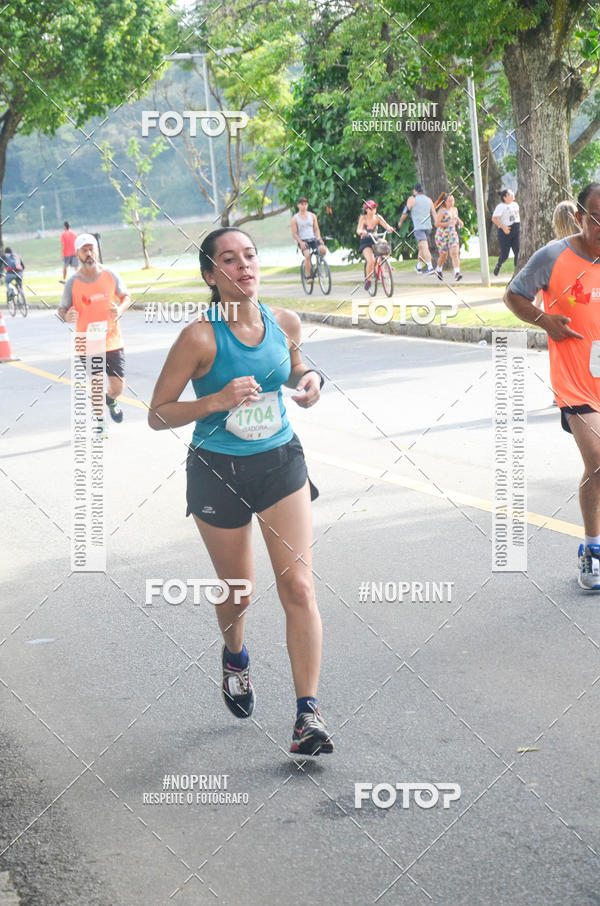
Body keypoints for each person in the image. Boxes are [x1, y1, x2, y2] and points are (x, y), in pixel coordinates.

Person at [148, 227, 333, 756]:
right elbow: (157, 414)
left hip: (279, 462)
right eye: (228, 260)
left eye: (250, 255)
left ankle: (307, 716)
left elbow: (299, 366)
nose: (243, 266)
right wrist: (216, 400)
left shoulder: (285, 321)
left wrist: (312, 381)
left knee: (298, 587)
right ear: (211, 275)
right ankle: (235, 656)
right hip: (217, 470)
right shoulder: (199, 338)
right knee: (240, 590)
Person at [504, 182, 600, 590]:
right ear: (579, 217)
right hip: (576, 381)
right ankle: (592, 551)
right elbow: (514, 295)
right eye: (595, 216)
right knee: (598, 460)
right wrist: (545, 321)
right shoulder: (554, 256)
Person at [58, 233, 132, 433]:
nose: (89, 253)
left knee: (118, 387)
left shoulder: (110, 275)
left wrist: (120, 309)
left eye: (92, 249)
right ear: (77, 254)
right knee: (97, 382)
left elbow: (126, 297)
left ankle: (111, 401)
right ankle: (100, 422)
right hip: (87, 341)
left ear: (97, 251)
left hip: (112, 340)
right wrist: (66, 316)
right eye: (85, 250)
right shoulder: (72, 282)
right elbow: (61, 310)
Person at [398, 183, 437, 275]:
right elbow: (434, 213)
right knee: (421, 247)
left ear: (415, 190)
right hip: (428, 227)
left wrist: (400, 222)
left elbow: (405, 212)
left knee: (424, 246)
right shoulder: (429, 200)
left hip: (419, 227)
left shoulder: (412, 199)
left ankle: (430, 266)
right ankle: (419, 266)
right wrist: (437, 223)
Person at [356, 200, 395, 290]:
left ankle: (386, 266)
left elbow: (386, 225)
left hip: (375, 239)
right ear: (366, 210)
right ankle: (368, 280)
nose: (373, 210)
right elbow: (358, 230)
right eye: (370, 208)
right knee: (371, 261)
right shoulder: (363, 218)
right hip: (366, 241)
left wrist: (389, 228)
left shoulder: (378, 218)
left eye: (374, 208)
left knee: (385, 243)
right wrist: (362, 231)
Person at [291, 198, 328, 280]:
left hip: (313, 239)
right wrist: (300, 242)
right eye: (302, 204)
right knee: (307, 255)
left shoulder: (312, 216)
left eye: (305, 204)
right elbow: (294, 234)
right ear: (298, 205)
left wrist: (319, 238)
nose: (304, 206)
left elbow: (316, 229)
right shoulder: (295, 219)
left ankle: (319, 265)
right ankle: (308, 276)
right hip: (303, 241)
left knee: (323, 250)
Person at [433, 193, 464, 282]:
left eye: (453, 200)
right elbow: (437, 224)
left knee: (454, 253)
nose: (452, 202)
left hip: (452, 234)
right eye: (449, 201)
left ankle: (457, 273)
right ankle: (438, 269)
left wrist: (460, 222)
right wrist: (448, 223)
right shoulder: (442, 211)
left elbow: (456, 218)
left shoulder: (455, 210)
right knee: (444, 255)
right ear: (445, 202)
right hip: (441, 235)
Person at [492, 189, 520, 276]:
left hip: (516, 229)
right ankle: (499, 264)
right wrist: (503, 227)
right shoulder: (501, 206)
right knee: (505, 255)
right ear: (505, 197)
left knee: (518, 252)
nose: (512, 195)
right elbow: (494, 219)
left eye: (512, 193)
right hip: (505, 232)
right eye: (510, 194)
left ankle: (517, 271)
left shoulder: (515, 205)